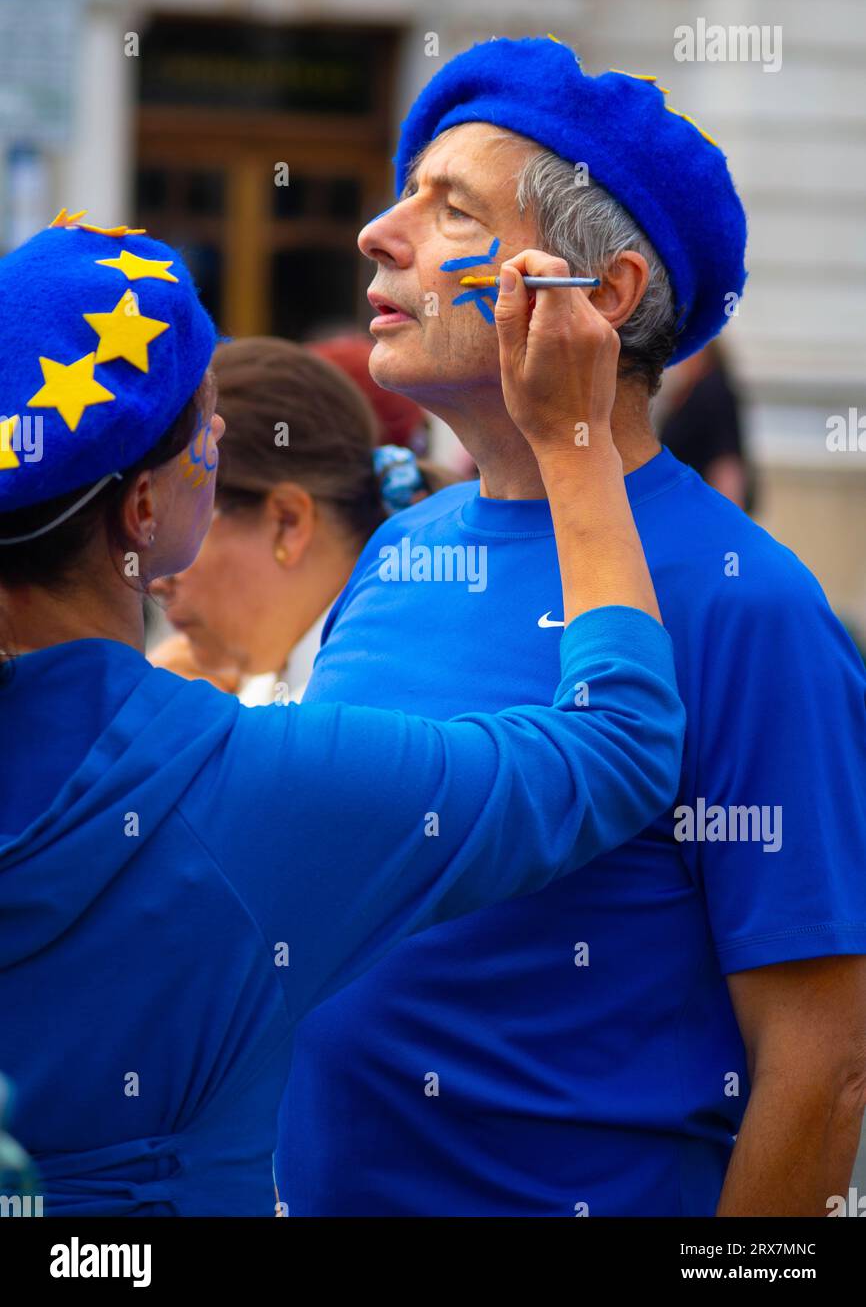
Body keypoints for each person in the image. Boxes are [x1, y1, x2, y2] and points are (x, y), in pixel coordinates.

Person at [281, 36, 866, 1218]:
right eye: (404, 195)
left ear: (599, 299)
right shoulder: (402, 547)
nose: (376, 234)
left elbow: (823, 1068)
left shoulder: (748, 603)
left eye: (449, 210)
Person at [0, 213, 684, 1215]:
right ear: (142, 512)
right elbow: (615, 753)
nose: (222, 434)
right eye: (205, 419)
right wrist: (573, 443)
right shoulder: (245, 788)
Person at [150, 337, 452, 703]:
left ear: (287, 522)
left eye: (170, 529)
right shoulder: (288, 687)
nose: (158, 582)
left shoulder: (362, 707)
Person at [658, 340, 756, 511]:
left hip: (703, 508)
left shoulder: (713, 392)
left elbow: (726, 462)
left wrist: (727, 521)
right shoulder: (688, 391)